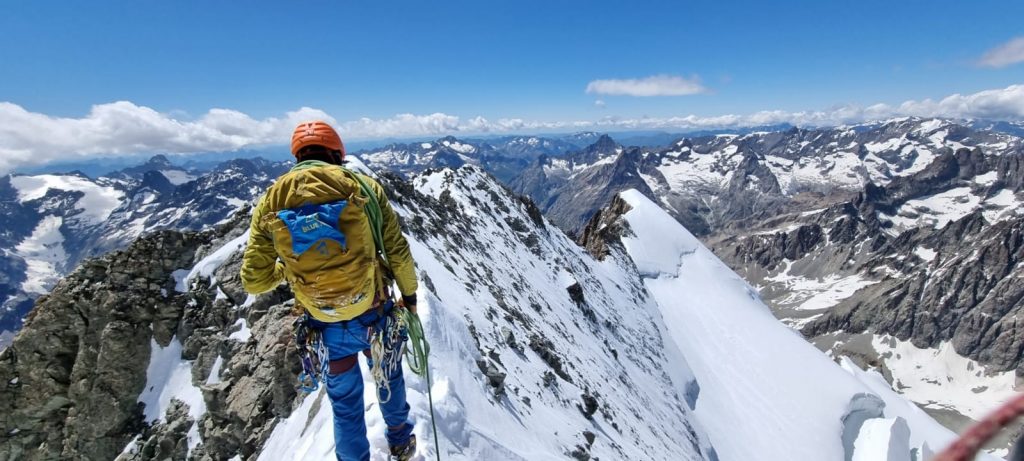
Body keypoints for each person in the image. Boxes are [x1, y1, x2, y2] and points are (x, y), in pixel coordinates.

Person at [240, 120, 419, 461]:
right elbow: (397, 251)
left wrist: (286, 270)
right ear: (337, 153)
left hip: (323, 323)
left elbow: (254, 280)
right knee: (389, 378)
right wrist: (409, 298)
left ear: (298, 156)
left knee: (346, 406)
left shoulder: (271, 200)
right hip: (374, 315)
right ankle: (399, 440)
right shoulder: (363, 188)